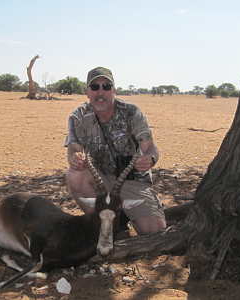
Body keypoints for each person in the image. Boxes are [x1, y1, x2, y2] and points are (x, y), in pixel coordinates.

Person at [64, 66, 166, 235]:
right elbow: (74, 148)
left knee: (154, 232)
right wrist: (75, 158)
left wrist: (151, 158)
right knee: (74, 174)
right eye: (95, 87)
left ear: (114, 91)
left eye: (106, 87)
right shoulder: (78, 116)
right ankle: (104, 226)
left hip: (132, 179)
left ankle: (125, 216)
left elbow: (150, 147)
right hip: (100, 179)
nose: (100, 92)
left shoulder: (131, 112)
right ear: (87, 92)